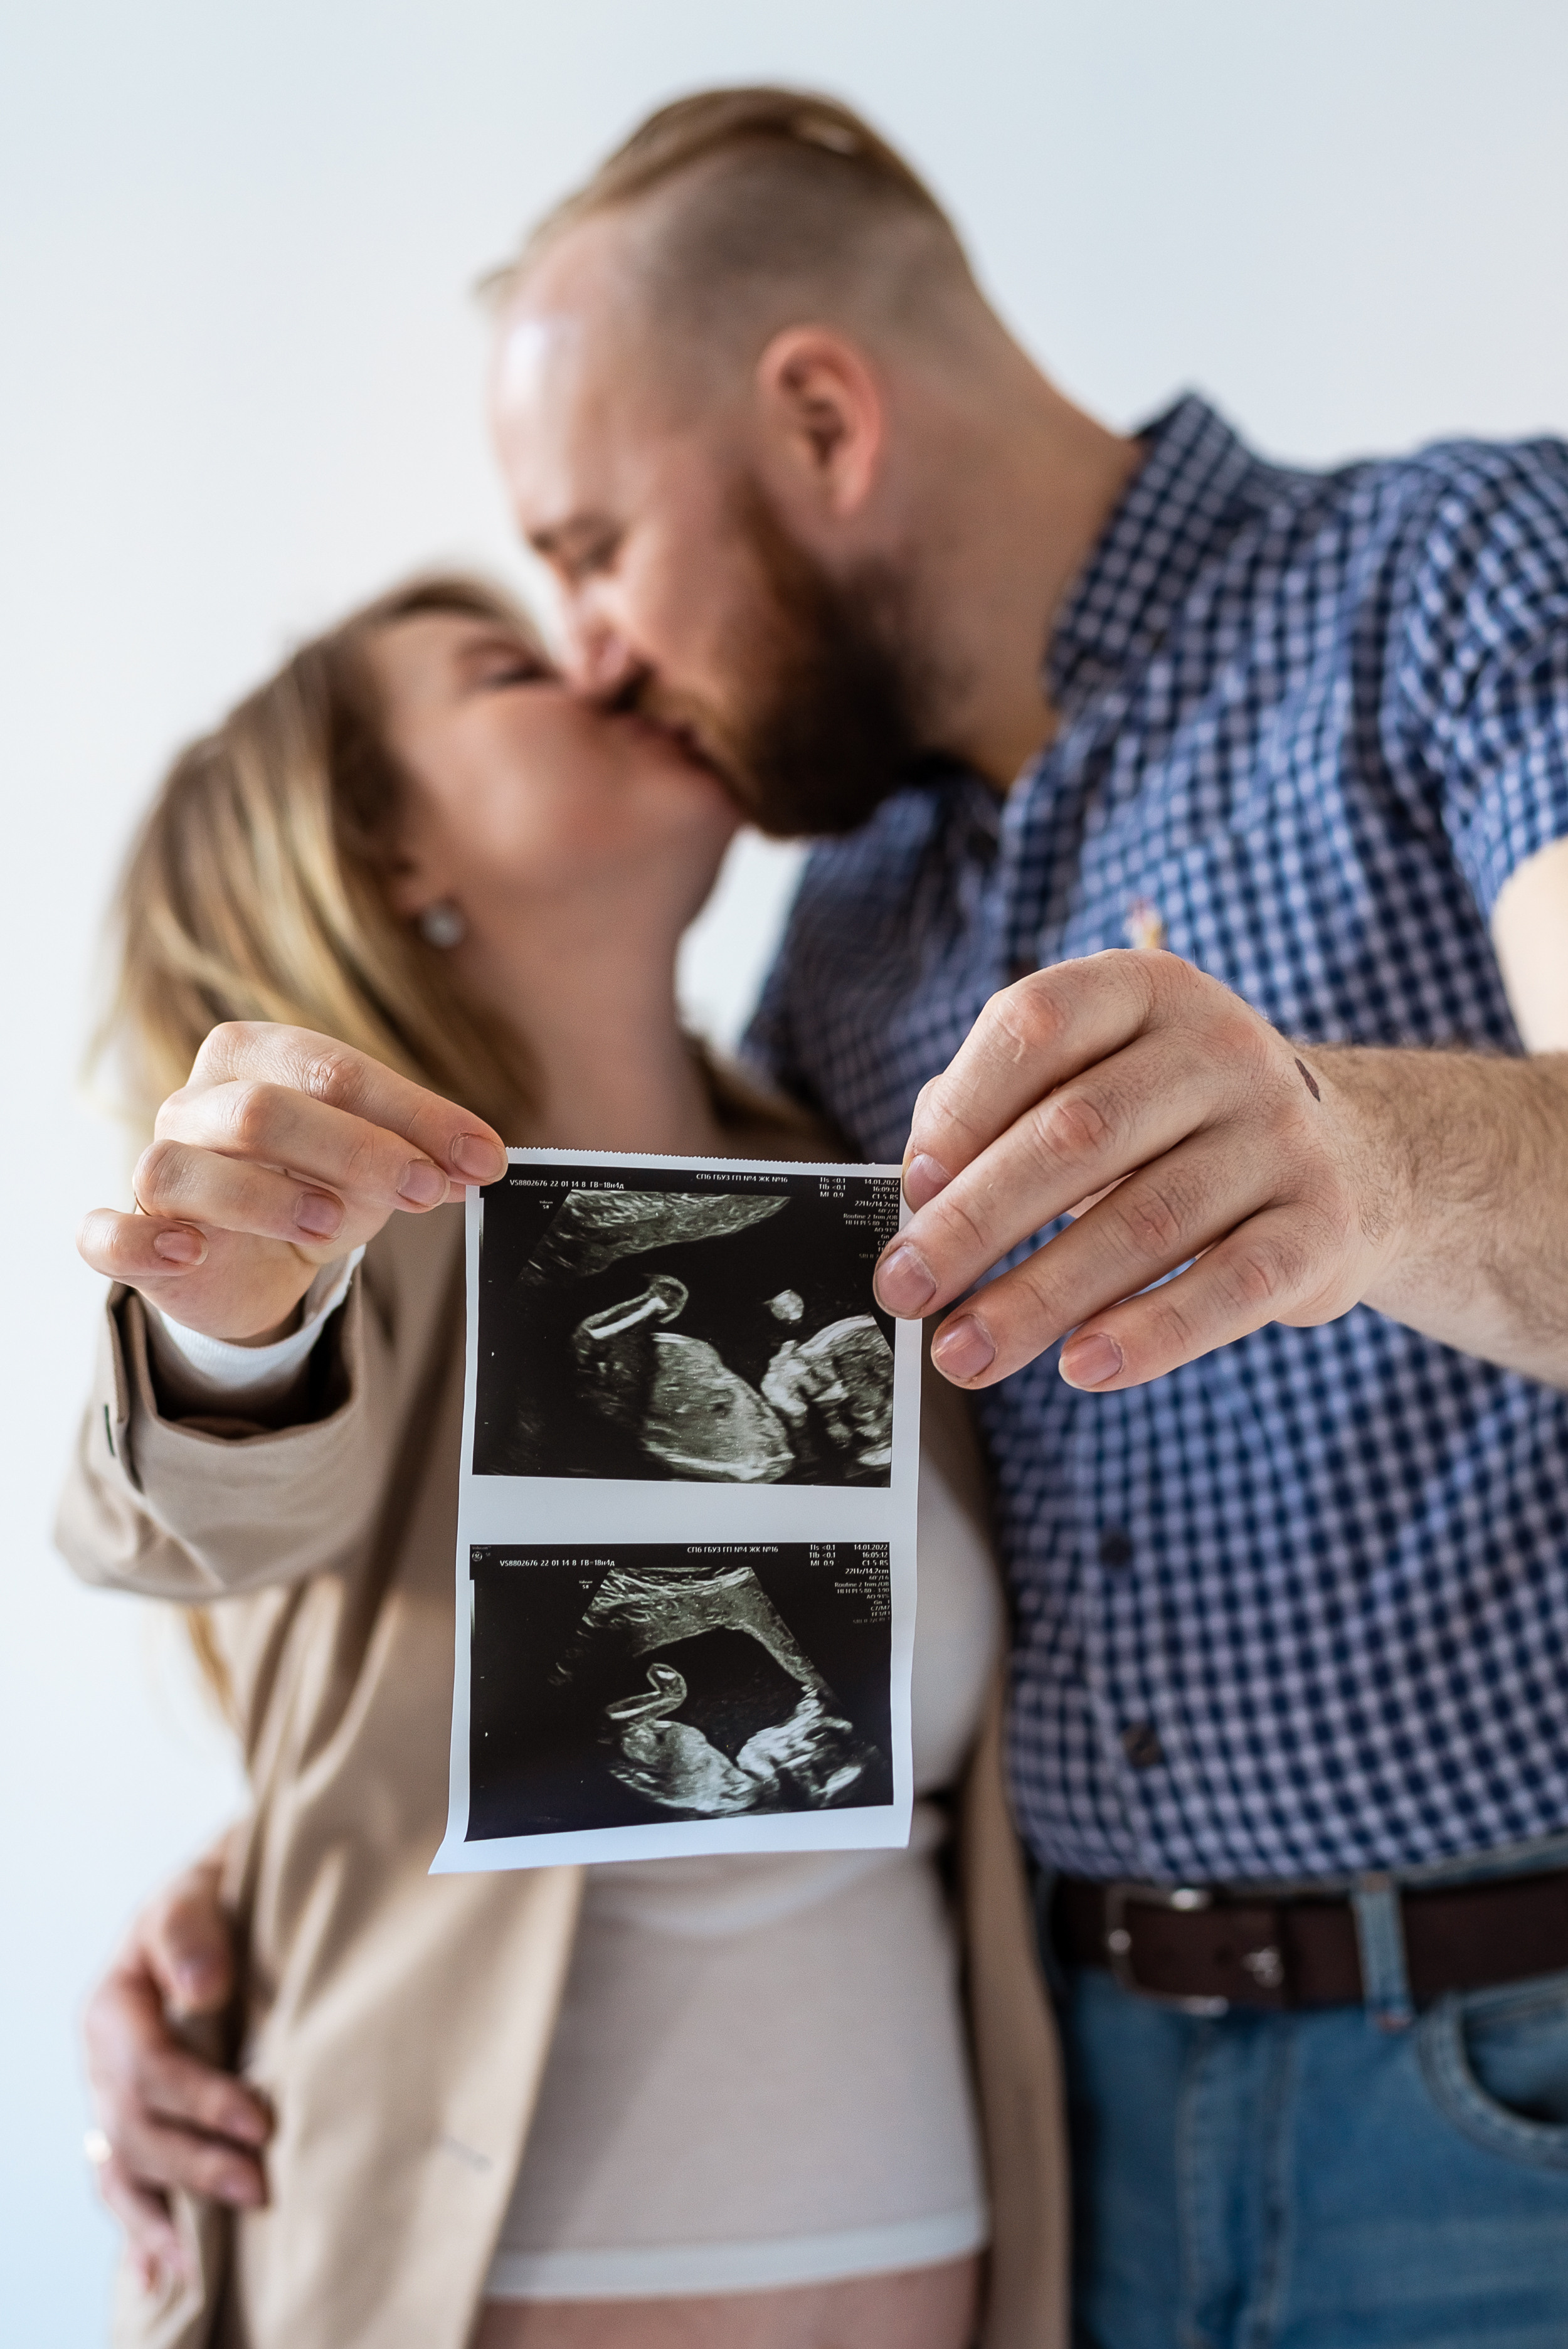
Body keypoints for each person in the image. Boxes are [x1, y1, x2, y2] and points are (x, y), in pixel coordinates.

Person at [464, 87, 1568, 2346]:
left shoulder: (1454, 572)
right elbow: (689, 1658)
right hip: (1063, 2134)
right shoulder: (839, 942)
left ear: (816, 418)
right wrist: (257, 1901)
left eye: (589, 542)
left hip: (1513, 2091)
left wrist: (1347, 1155)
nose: (581, 647)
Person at [64, 574, 1065, 2349]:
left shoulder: (870, 1195)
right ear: (387, 859)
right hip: (462, 2284)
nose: (612, 651)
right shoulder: (348, 1250)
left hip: (935, 2258)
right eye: (511, 667)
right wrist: (225, 1330)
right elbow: (177, 1510)